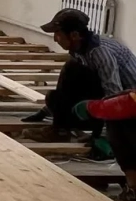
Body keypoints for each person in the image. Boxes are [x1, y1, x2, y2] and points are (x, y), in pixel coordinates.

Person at [23, 8, 136, 136]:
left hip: (129, 109)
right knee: (68, 74)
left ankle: (61, 131)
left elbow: (114, 95)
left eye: (58, 34)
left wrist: (104, 136)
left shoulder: (100, 53)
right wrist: (48, 110)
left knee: (72, 68)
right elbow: (67, 89)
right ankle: (60, 128)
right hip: (116, 102)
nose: (55, 39)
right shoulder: (79, 49)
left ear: (74, 35)